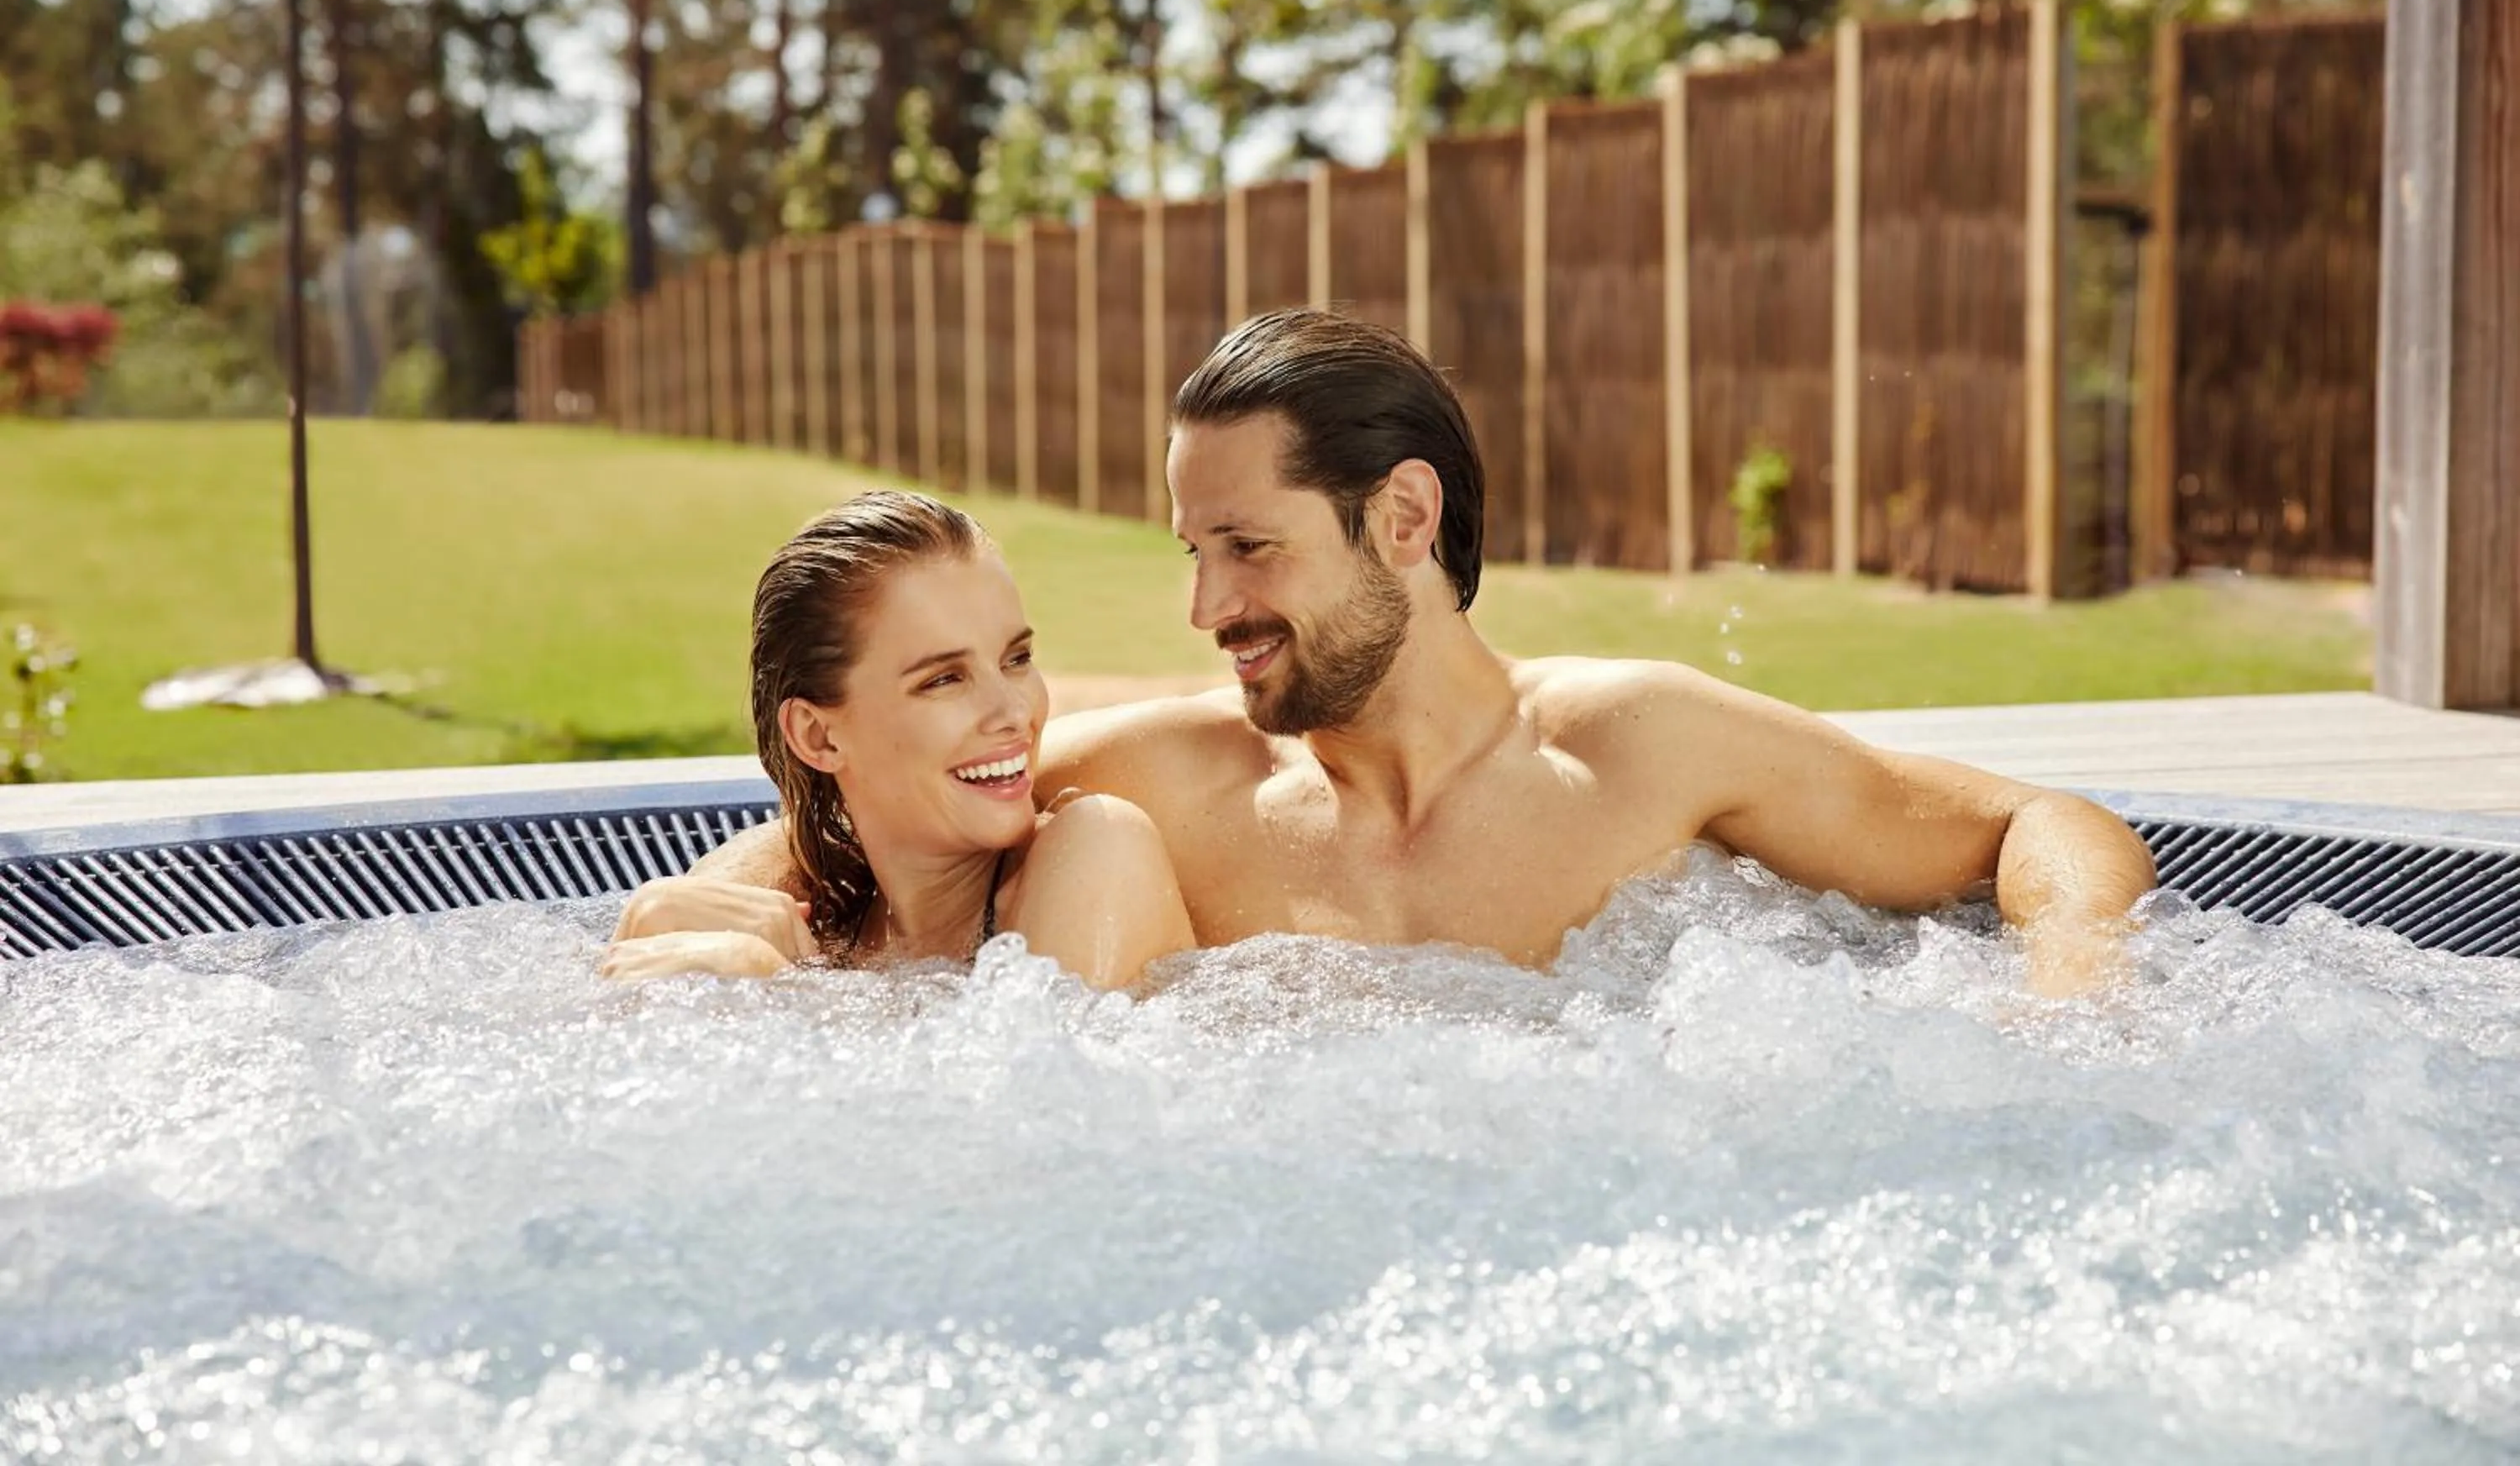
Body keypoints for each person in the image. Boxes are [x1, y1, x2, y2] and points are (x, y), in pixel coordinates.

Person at [616, 308, 2155, 996]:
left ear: (1403, 519)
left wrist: (2074, 995)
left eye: (1249, 547)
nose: (1206, 608)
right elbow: (843, 827)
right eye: (1193, 551)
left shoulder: (1636, 747)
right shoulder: (1173, 778)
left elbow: (2039, 825)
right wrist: (707, 936)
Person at [599, 490, 1194, 988]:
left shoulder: (1099, 849)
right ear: (818, 736)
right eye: (944, 679)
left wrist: (778, 990)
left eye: (1017, 659)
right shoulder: (811, 900)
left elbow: (1037, 1090)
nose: (1014, 711)